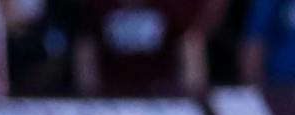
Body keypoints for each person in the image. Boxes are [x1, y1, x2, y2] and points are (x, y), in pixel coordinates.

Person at [73, 0, 223, 96]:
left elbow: (188, 45)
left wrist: (193, 95)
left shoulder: (170, 6)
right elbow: (86, 49)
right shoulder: (99, 6)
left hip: (162, 99)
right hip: (113, 99)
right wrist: (89, 97)